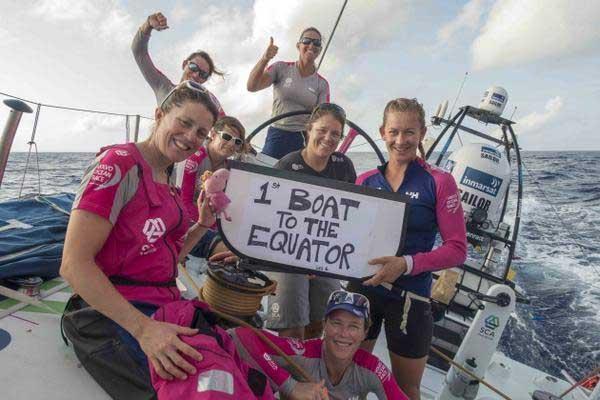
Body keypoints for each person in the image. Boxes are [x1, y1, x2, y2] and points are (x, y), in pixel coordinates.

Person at [60, 81, 224, 399]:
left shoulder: (166, 175)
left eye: (201, 133)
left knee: (225, 377)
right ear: (159, 114)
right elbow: (73, 265)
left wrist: (203, 225)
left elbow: (165, 257)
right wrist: (144, 330)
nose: (191, 137)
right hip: (117, 312)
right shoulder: (119, 165)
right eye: (185, 122)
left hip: (163, 305)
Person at [347, 98, 468, 399]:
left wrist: (406, 264)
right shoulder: (364, 180)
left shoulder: (439, 182)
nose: (401, 141)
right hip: (364, 289)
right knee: (349, 376)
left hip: (410, 297)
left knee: (406, 390)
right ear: (383, 132)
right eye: (394, 132)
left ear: (422, 132)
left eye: (409, 132)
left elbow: (457, 249)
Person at [265, 103, 357, 340]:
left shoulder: (344, 167)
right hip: (286, 256)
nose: (329, 138)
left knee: (321, 322)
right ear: (309, 129)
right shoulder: (287, 165)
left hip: (322, 257)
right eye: (323, 130)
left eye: (335, 134)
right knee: (292, 328)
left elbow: (348, 219)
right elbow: (270, 218)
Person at [230, 290, 408, 400]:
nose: (344, 333)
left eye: (353, 326)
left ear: (365, 333)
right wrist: (291, 386)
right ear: (324, 325)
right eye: (336, 323)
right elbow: (241, 335)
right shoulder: (305, 353)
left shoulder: (372, 368)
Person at [247, 28, 330, 160]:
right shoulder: (281, 68)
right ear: (298, 45)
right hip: (277, 134)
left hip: (302, 139)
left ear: (320, 50)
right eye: (307, 41)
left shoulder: (322, 84)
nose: (311, 45)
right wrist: (265, 58)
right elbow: (251, 86)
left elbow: (323, 120)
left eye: (316, 43)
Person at [132, 11, 225, 115]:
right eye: (193, 67)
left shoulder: (210, 102)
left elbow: (226, 124)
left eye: (203, 75)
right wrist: (148, 24)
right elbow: (139, 52)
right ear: (184, 64)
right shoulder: (164, 87)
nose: (196, 75)